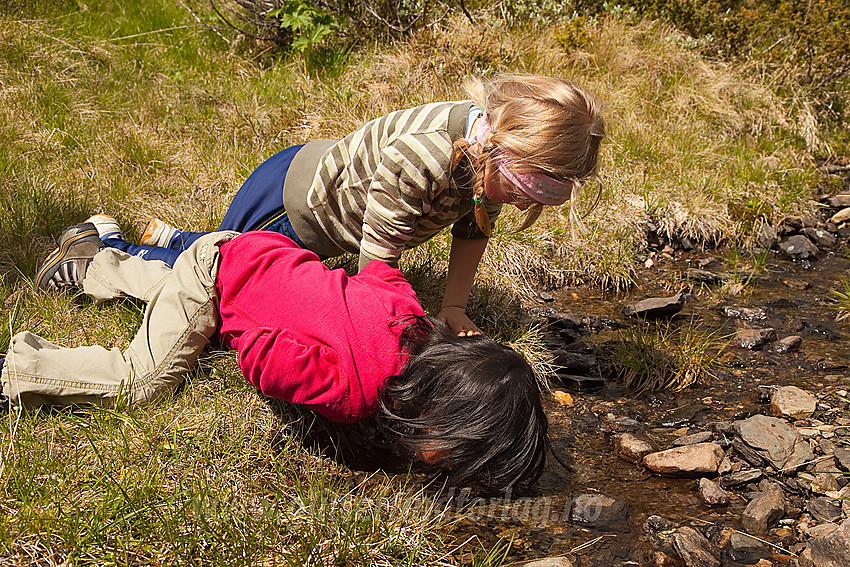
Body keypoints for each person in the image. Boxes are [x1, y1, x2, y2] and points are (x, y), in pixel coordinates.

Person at [7, 222, 551, 490]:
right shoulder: (350, 391)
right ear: (440, 416)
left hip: (257, 249)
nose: (451, 469)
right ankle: (18, 370)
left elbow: (380, 273)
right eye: (455, 457)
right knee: (141, 379)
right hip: (222, 283)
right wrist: (235, 328)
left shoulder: (411, 321)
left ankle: (89, 260)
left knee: (174, 288)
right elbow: (267, 362)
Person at [86, 74, 605, 336]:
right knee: (216, 286)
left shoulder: (488, 153)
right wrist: (392, 331)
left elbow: (473, 227)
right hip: (293, 205)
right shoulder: (424, 157)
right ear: (499, 145)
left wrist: (451, 307)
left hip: (337, 222)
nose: (515, 200)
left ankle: (174, 238)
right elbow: (378, 264)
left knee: (221, 263)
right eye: (517, 186)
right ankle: (104, 251)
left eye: (536, 198)